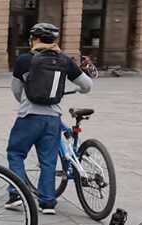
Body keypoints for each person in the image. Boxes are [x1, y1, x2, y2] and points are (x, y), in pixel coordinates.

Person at [6, 22, 93, 215]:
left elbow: (16, 89)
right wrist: (77, 89)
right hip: (53, 118)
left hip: (29, 116)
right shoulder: (64, 60)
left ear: (34, 39)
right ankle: (47, 202)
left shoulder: (25, 60)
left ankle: (16, 194)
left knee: (16, 153)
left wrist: (25, 101)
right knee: (48, 160)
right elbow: (87, 85)